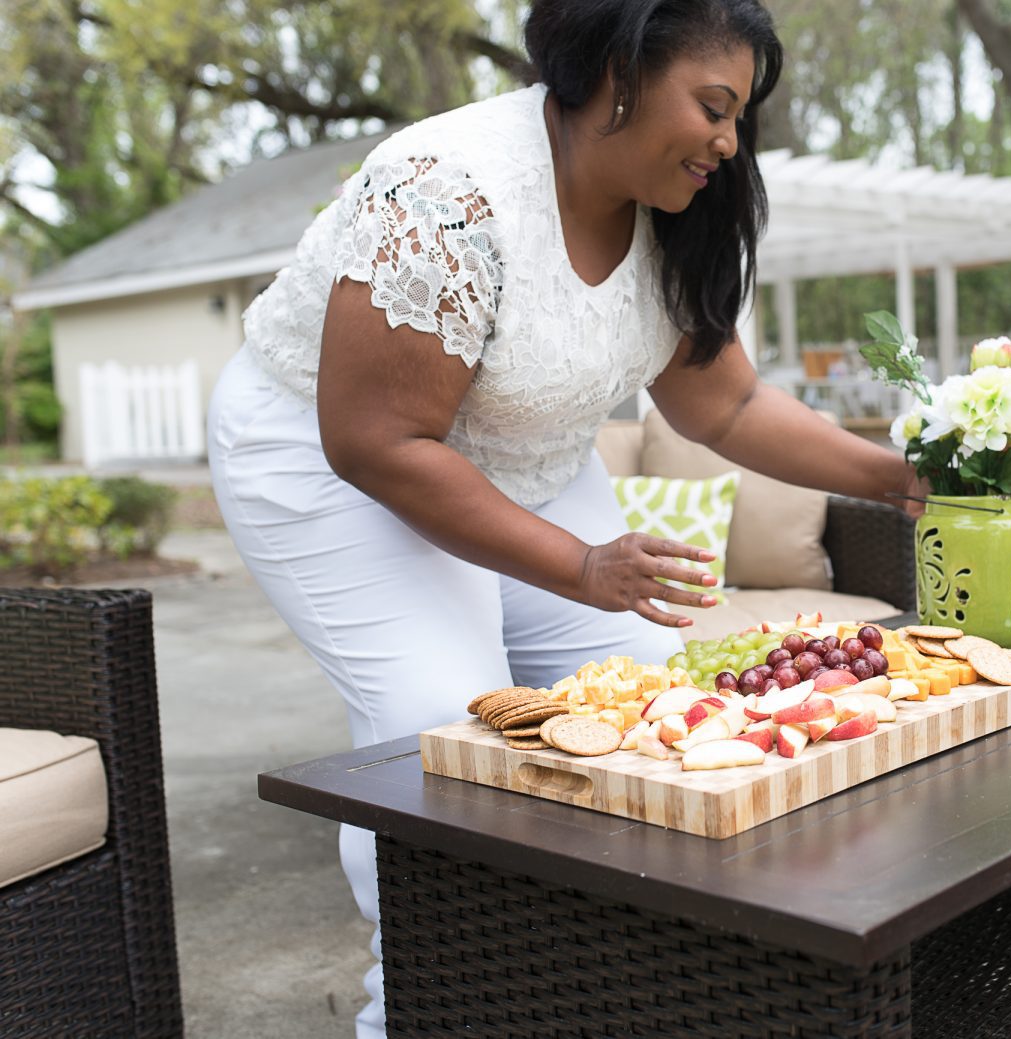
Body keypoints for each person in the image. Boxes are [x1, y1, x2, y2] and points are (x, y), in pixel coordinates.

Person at [208, 0, 921, 1034]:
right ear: (620, 74)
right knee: (445, 741)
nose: (729, 141)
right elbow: (377, 441)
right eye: (713, 106)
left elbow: (725, 406)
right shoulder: (447, 191)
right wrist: (583, 566)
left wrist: (896, 477)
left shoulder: (673, 209)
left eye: (739, 116)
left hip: (525, 462)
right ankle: (414, 1008)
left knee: (654, 708)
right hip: (333, 463)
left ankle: (595, 978)